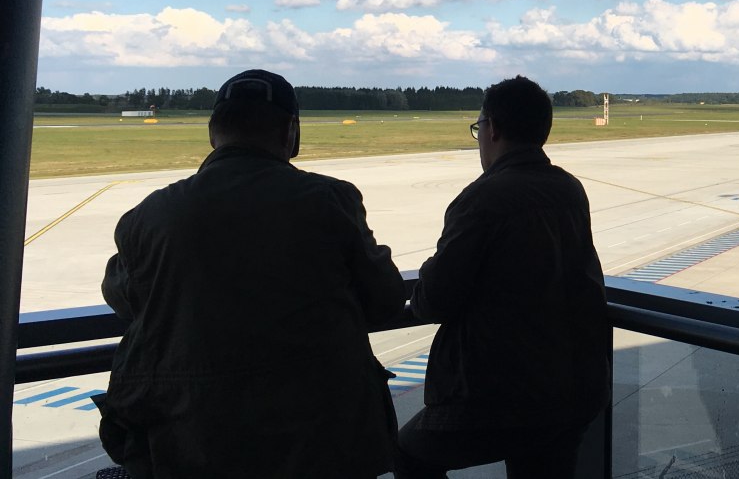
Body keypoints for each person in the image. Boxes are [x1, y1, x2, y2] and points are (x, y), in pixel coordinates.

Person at [96, 69, 406, 478]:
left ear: (212, 133)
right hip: (320, 441)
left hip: (191, 441)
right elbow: (384, 299)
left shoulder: (147, 216)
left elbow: (127, 301)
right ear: (290, 133)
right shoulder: (329, 200)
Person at [395, 76, 609, 479]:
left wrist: (426, 276)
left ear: (491, 128)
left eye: (479, 128)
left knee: (408, 454)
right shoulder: (569, 189)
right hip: (574, 389)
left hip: (503, 397)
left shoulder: (482, 198)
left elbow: (434, 299)